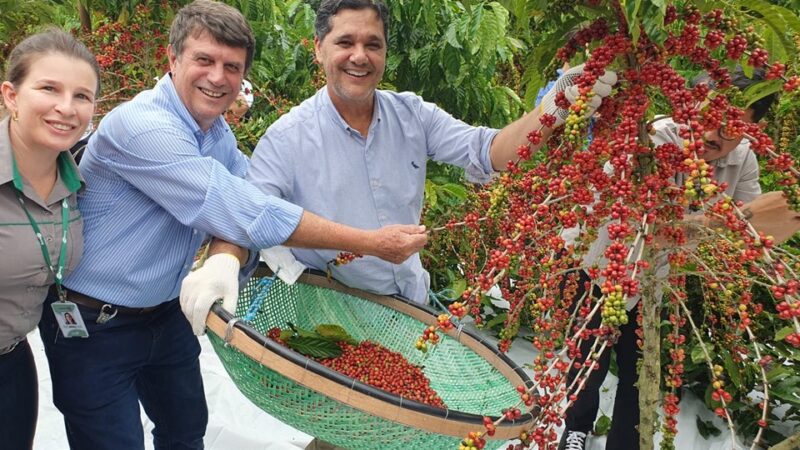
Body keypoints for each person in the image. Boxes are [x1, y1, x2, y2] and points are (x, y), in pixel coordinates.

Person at [37, 1, 427, 449]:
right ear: (172, 59)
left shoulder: (217, 135)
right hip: (93, 324)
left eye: (232, 66)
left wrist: (227, 255)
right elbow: (243, 209)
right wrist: (369, 242)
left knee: (185, 430)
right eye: (204, 60)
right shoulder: (143, 127)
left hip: (166, 316)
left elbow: (256, 199)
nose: (218, 77)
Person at [231, 0, 616, 306]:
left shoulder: (412, 114)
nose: (360, 56)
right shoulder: (287, 138)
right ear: (318, 49)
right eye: (345, 43)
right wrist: (368, 243)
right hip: (333, 308)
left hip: (410, 304)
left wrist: (551, 109)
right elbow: (255, 217)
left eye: (373, 44)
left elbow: (487, 151)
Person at [557, 67, 798, 450]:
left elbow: (752, 227)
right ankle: (576, 429)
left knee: (643, 367)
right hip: (603, 261)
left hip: (655, 273)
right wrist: (722, 221)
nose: (710, 135)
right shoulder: (650, 140)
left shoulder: (743, 161)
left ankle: (627, 443)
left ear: (750, 131)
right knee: (590, 353)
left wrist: (755, 219)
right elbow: (646, 226)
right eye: (705, 118)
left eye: (730, 128)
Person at [0, 29, 99, 450]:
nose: (66, 108)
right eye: (48, 88)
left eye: (82, 96)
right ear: (11, 95)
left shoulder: (78, 182)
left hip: (11, 360)